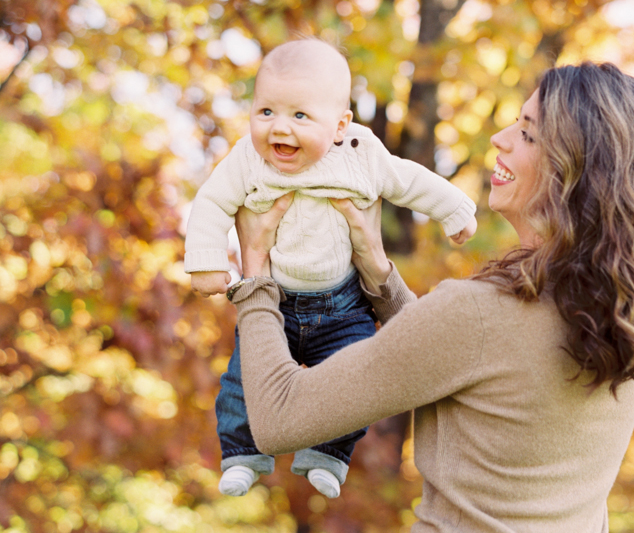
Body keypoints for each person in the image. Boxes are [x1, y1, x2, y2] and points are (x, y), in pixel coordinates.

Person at [228, 61, 634, 531]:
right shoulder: (627, 318)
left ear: (579, 173)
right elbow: (465, 359)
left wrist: (255, 274)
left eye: (528, 134)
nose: (500, 139)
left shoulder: (480, 316)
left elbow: (278, 418)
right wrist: (378, 272)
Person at [184, 38, 477, 498]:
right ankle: (242, 453)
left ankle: (328, 454)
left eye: (300, 116)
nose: (280, 129)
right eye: (266, 112)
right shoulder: (246, 159)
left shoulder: (360, 153)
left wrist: (454, 210)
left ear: (340, 125)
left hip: (343, 304)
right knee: (242, 380)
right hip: (274, 299)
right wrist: (205, 261)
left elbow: (408, 179)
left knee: (352, 378)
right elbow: (211, 203)